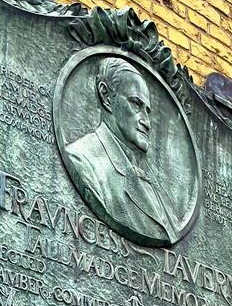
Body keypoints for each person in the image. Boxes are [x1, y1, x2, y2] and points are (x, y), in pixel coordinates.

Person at [65, 57, 180, 243]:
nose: (147, 122)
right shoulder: (82, 160)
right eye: (136, 104)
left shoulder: (150, 177)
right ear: (106, 96)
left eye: (148, 111)